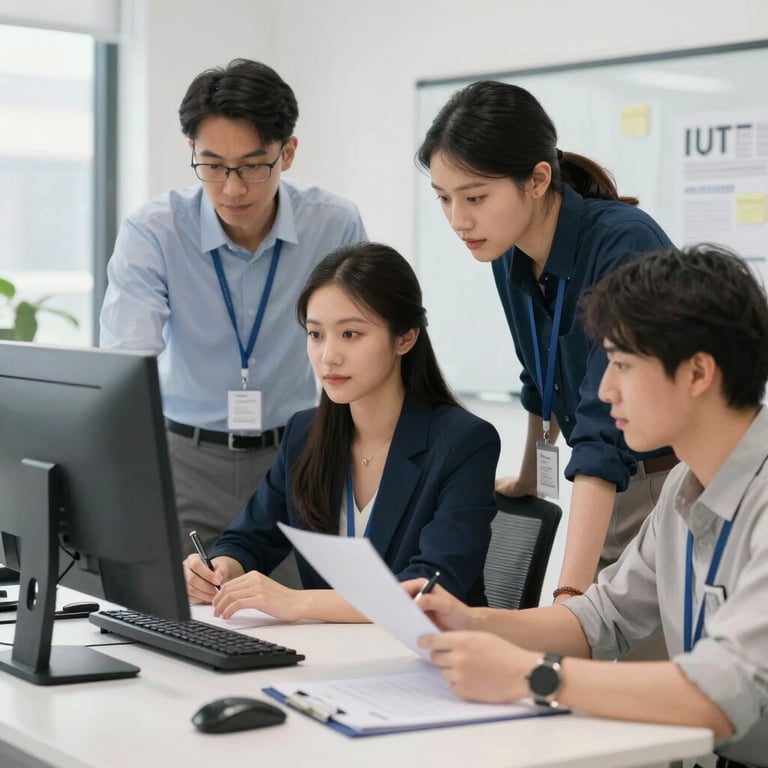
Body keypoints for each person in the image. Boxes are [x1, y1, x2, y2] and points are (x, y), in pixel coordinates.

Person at [410, 244, 768, 767]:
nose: (603, 390)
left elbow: (725, 689)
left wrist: (530, 675)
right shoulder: (684, 485)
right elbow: (603, 616)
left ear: (697, 373)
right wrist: (473, 624)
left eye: (621, 364)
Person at [417, 80, 677, 603]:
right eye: (444, 199)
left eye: (475, 197)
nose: (457, 220)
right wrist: (531, 474)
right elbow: (541, 374)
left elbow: (603, 430)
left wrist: (568, 595)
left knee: (624, 671)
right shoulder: (507, 247)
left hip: (663, 485)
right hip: (604, 485)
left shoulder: (623, 242)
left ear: (537, 180)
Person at [100, 59, 367, 557]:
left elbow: (366, 347)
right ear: (192, 152)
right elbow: (124, 363)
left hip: (299, 458)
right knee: (180, 616)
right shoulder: (154, 232)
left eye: (252, 165)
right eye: (214, 165)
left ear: (287, 152)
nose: (233, 187)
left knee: (299, 622)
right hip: (185, 460)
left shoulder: (333, 225)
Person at [184, 242, 501, 622]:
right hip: (334, 655)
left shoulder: (463, 443)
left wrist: (299, 603)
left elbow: (430, 589)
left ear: (405, 338)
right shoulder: (305, 433)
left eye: (350, 334)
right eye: (316, 335)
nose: (328, 356)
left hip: (434, 661)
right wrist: (219, 569)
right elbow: (250, 538)